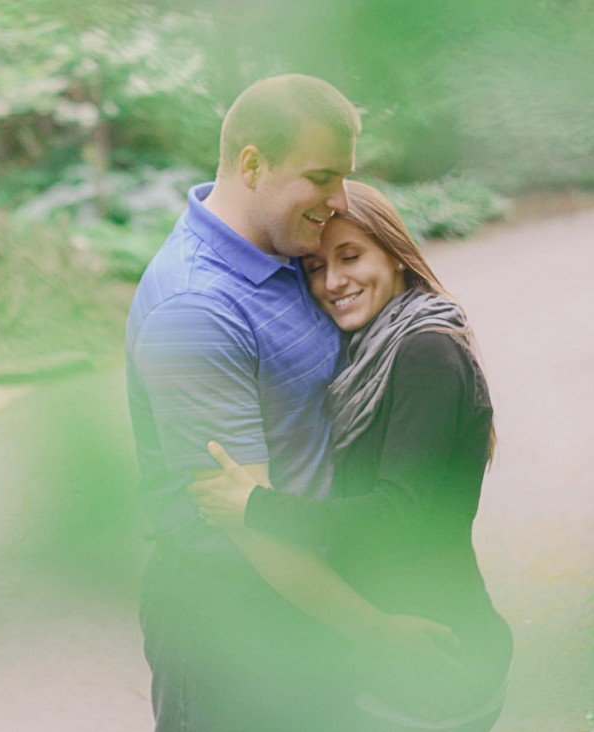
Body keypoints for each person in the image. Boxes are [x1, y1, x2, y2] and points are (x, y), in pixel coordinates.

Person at [127, 74, 453, 732]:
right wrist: (374, 630)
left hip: (311, 596)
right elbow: (243, 520)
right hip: (232, 621)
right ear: (252, 165)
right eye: (321, 177)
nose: (339, 200)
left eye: (344, 177)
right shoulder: (197, 309)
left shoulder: (291, 254)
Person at [187, 180, 514, 731]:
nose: (333, 282)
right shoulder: (371, 351)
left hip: (435, 652)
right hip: (407, 647)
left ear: (396, 255)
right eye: (315, 267)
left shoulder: (426, 352)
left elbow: (399, 516)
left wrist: (254, 506)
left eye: (351, 256)